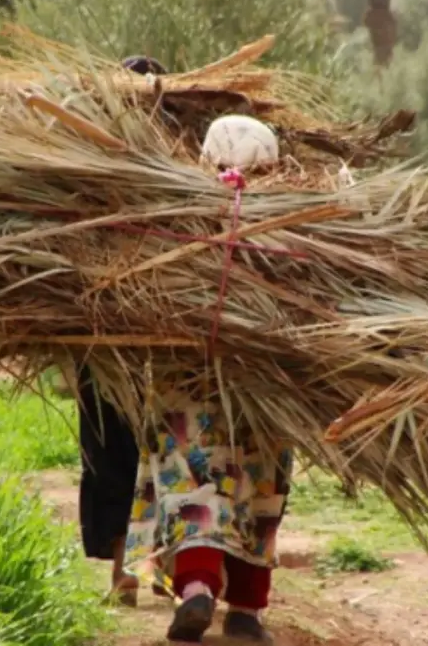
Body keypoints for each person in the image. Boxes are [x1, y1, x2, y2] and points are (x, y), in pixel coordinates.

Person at [123, 116, 291, 644]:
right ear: (273, 165)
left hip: (185, 383)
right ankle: (244, 608)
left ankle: (196, 588)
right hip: (264, 384)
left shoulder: (173, 214)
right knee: (256, 490)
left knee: (191, 483)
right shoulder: (298, 223)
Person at [76, 54, 172, 607]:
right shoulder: (88, 163)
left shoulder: (179, 167)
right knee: (123, 452)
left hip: (144, 333)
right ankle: (127, 575)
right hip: (110, 333)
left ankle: (135, 574)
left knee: (147, 453)